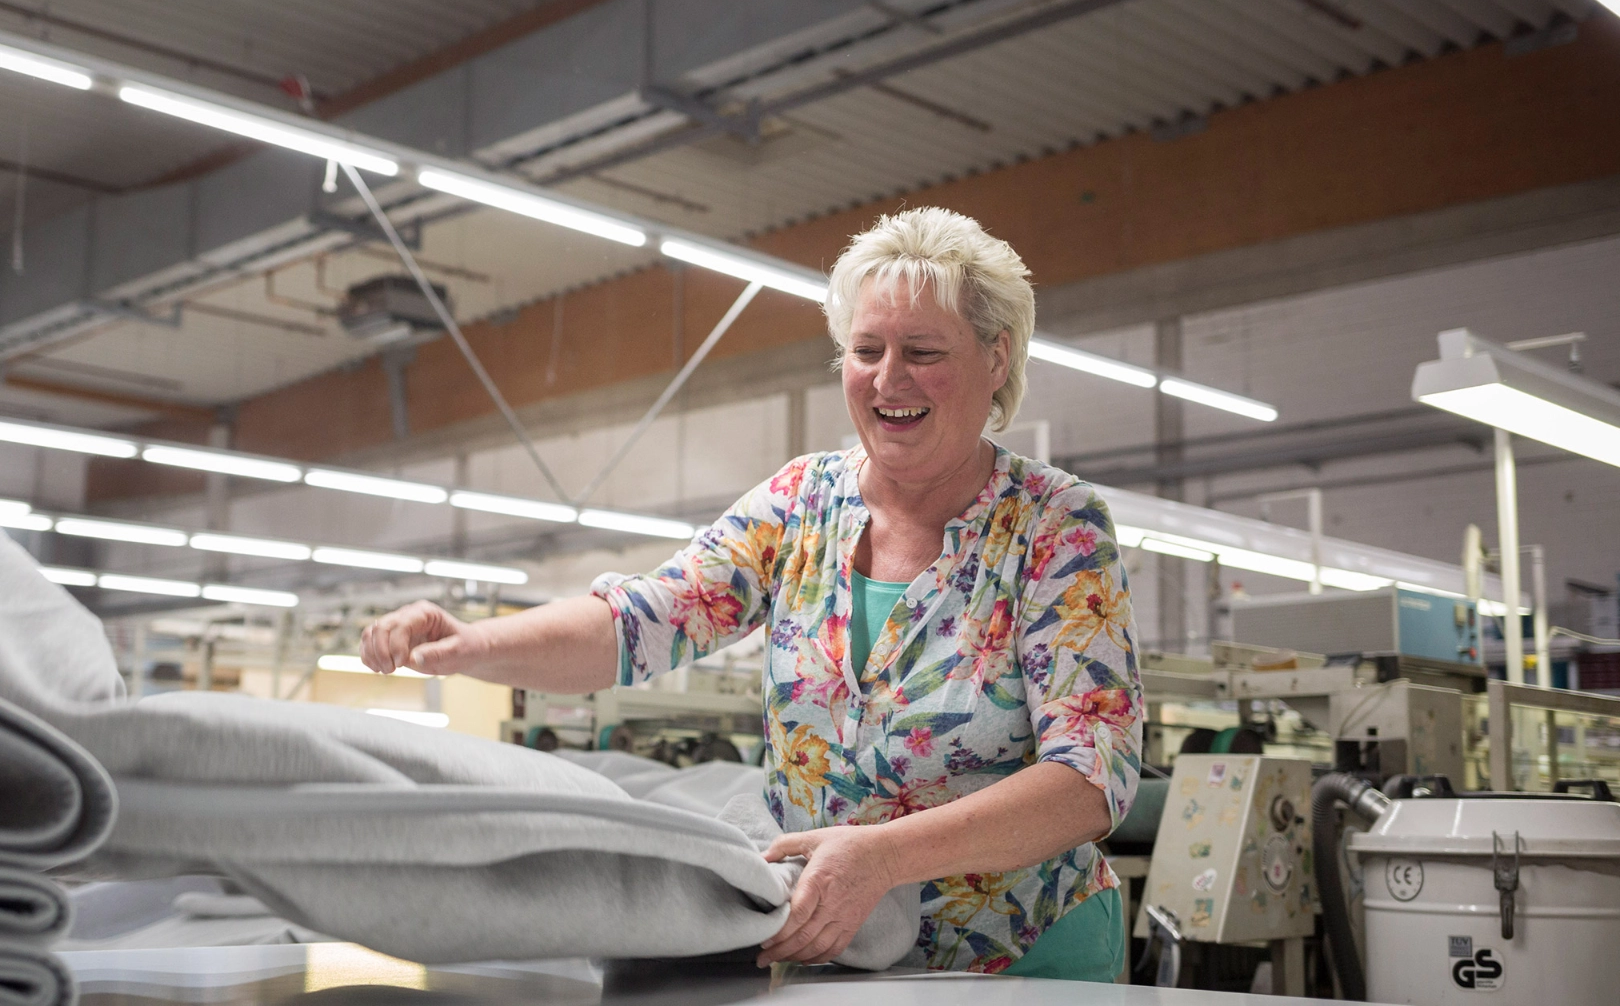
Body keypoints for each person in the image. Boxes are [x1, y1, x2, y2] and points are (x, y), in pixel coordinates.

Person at [361, 207, 1143, 979]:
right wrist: (470, 643)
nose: (888, 378)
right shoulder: (801, 504)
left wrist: (883, 858)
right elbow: (639, 623)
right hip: (835, 945)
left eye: (923, 351)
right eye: (865, 350)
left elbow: (1090, 777)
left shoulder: (1054, 525)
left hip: (1024, 953)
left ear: (996, 359)